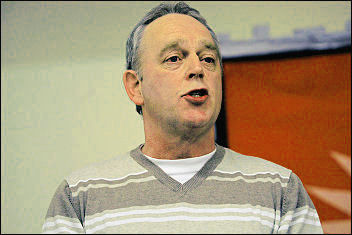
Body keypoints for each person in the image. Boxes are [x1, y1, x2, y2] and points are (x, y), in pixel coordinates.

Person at [42, 2, 323, 234]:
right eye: (175, 58)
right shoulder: (80, 197)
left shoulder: (280, 190)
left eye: (208, 59)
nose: (197, 69)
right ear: (135, 86)